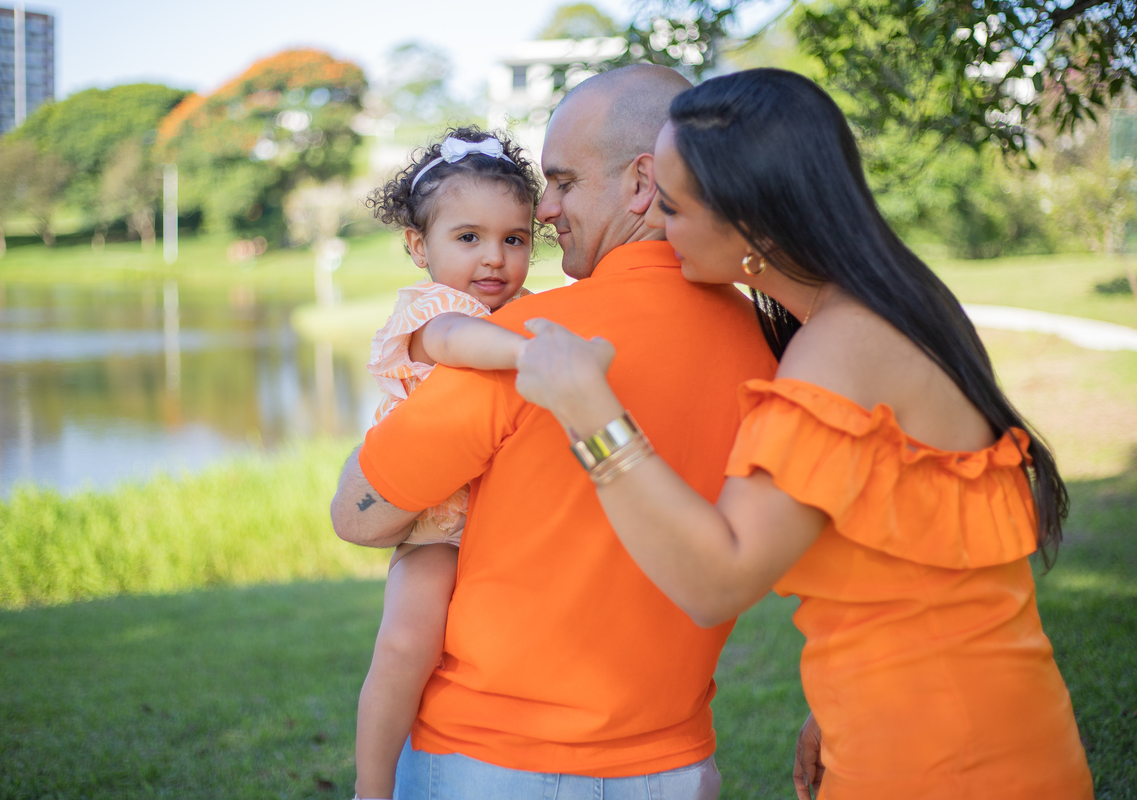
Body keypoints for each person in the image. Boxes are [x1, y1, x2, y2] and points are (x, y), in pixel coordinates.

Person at [513, 68, 1094, 799]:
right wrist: (840, 702)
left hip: (944, 760)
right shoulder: (892, 303)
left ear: (750, 224)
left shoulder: (842, 348)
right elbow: (916, 562)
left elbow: (715, 579)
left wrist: (588, 411)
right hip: (974, 723)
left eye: (671, 207)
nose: (659, 227)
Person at [331, 64, 778, 799]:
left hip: (489, 761)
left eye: (563, 183)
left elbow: (360, 515)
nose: (545, 214)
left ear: (642, 183)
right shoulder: (758, 344)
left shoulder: (535, 336)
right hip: (673, 766)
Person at [354, 126, 541, 800]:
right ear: (418, 246)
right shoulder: (436, 310)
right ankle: (372, 788)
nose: (494, 258)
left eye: (514, 239)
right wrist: (531, 351)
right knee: (408, 643)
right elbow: (458, 342)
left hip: (502, 524)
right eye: (468, 238)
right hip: (434, 526)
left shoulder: (524, 311)